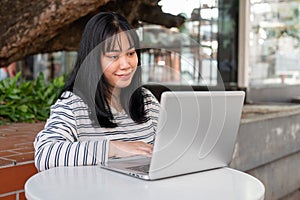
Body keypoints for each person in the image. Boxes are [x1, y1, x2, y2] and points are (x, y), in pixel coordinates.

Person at [34, 12, 160, 171]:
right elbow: (45, 155)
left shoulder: (145, 100)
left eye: (130, 53)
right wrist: (113, 149)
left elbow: (175, 142)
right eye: (114, 56)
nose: (126, 64)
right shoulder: (74, 104)